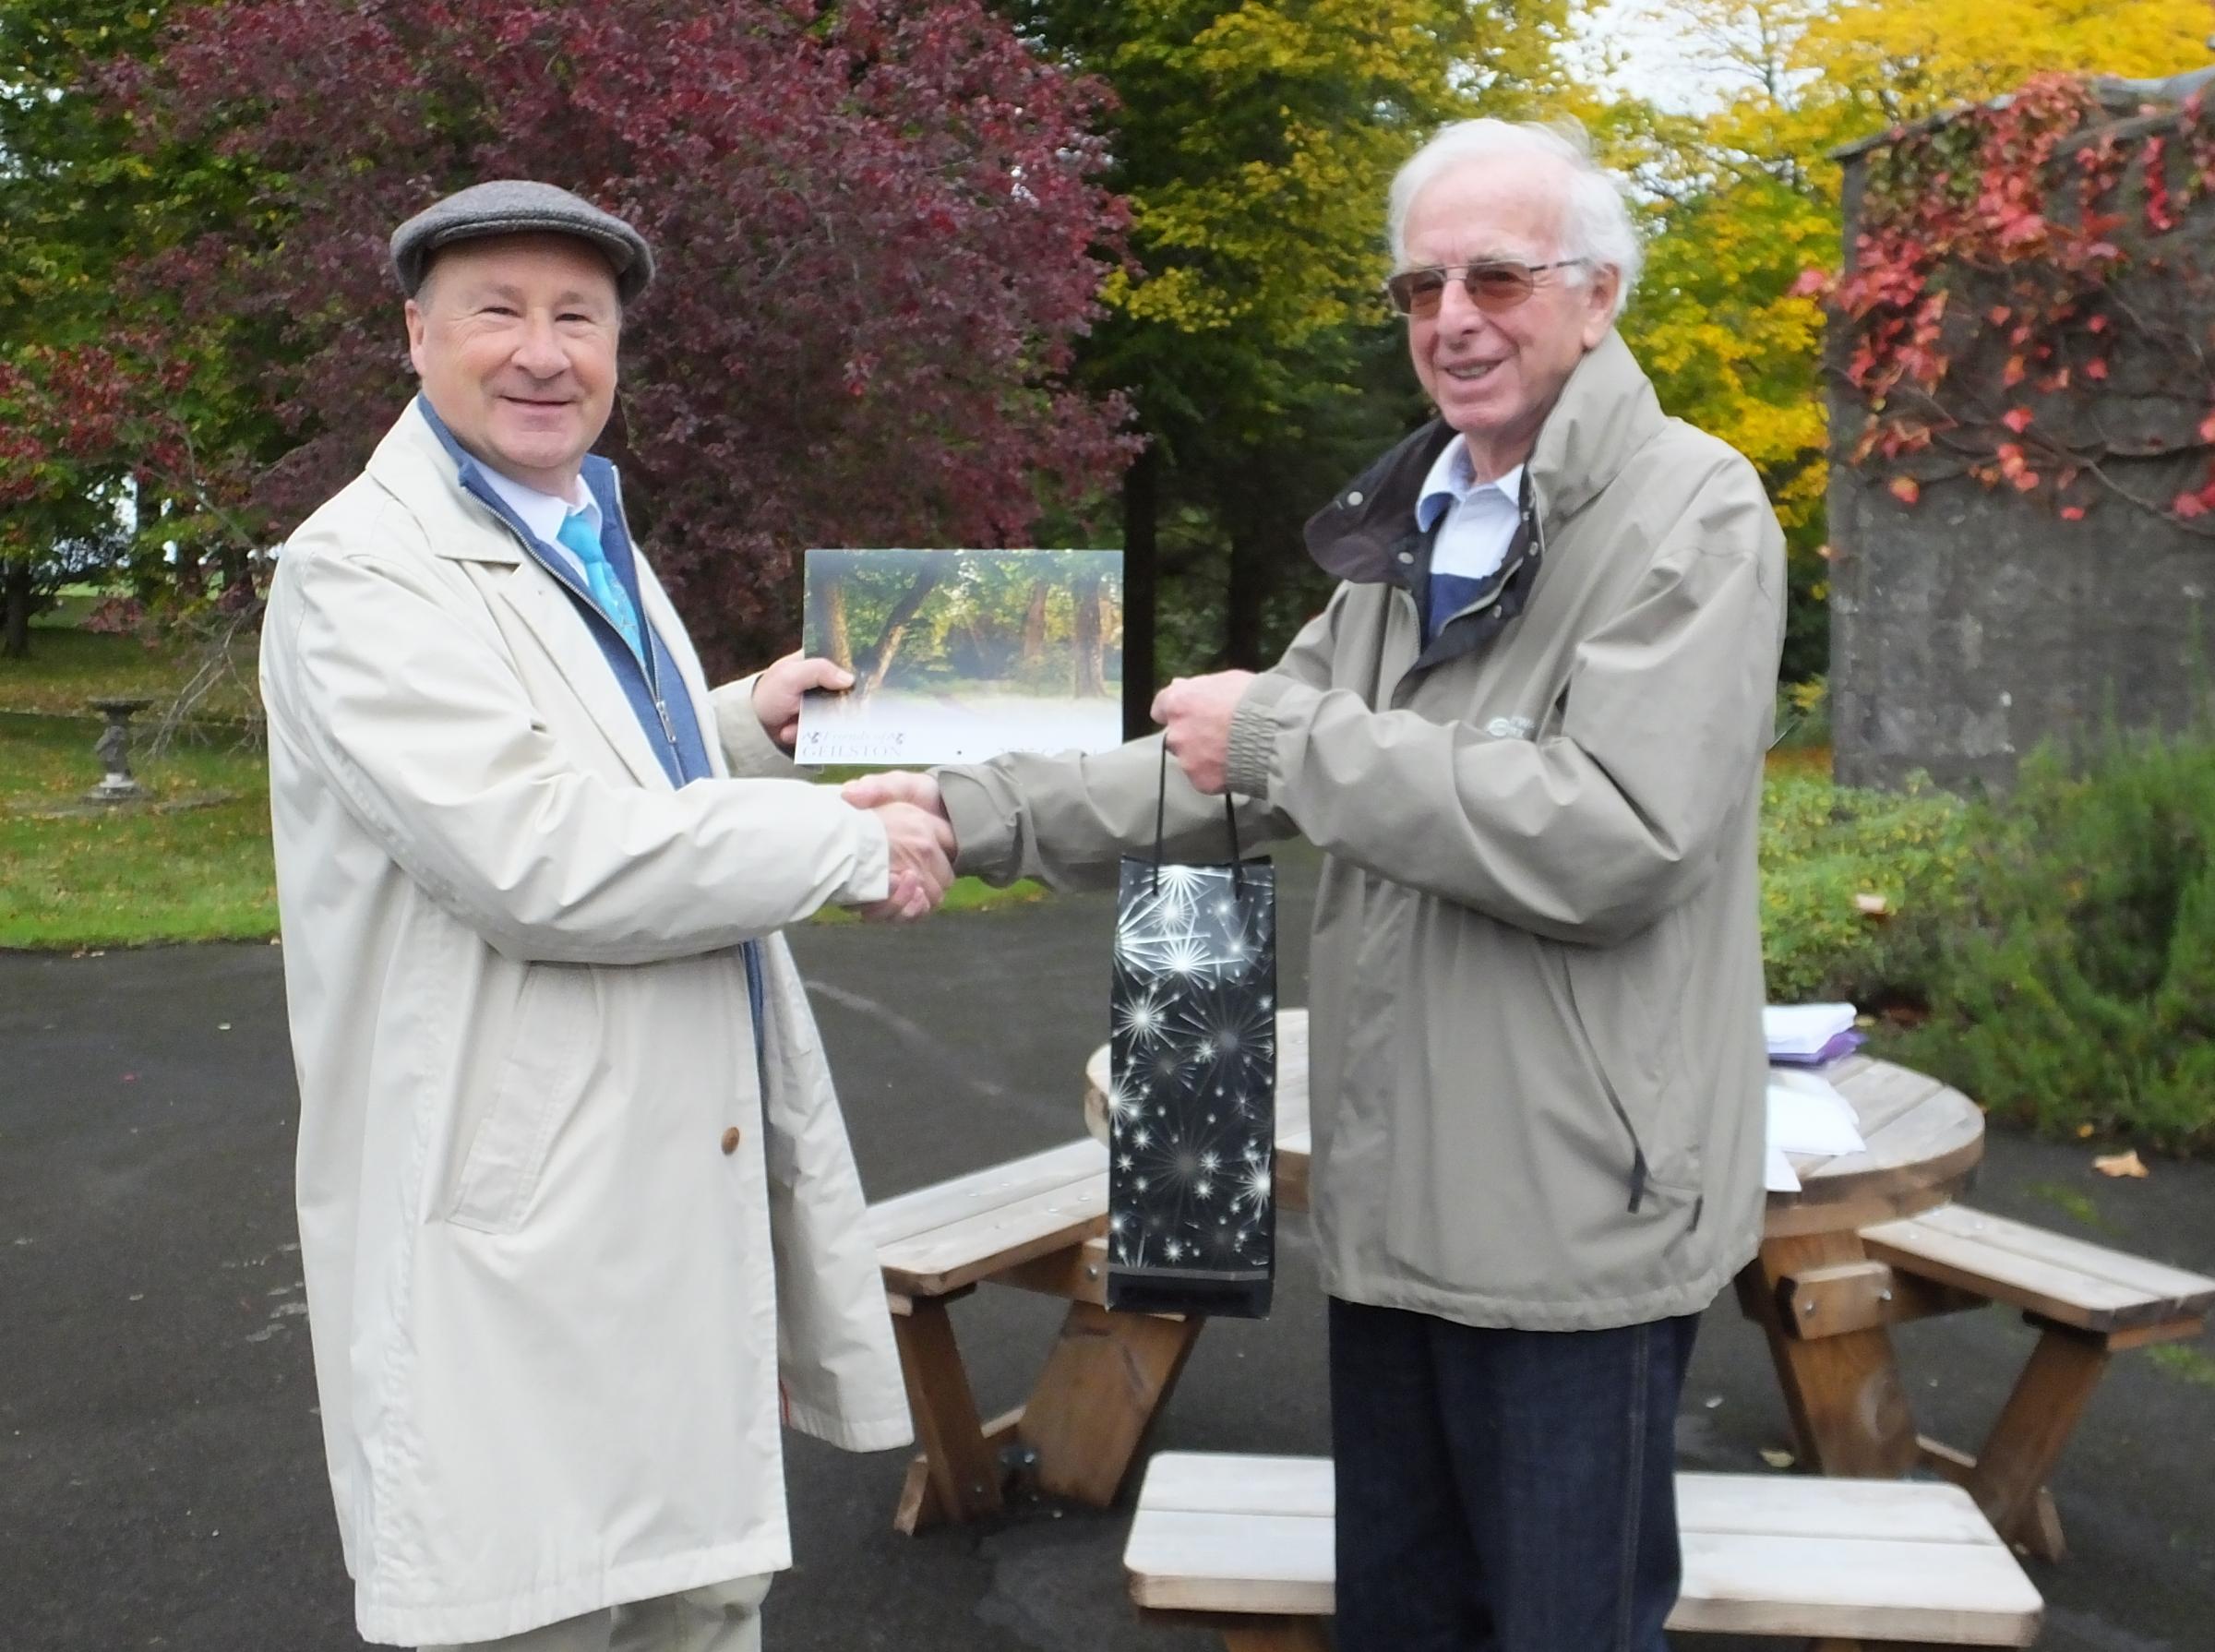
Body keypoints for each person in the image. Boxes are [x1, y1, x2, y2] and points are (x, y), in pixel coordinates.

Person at [848, 119, 1787, 1651]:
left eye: (1496, 275)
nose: (1453, 318)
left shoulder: (1696, 511)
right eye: (1420, 286)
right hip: (1397, 1193)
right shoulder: (1413, 527)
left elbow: (1616, 833)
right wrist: (970, 810)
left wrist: (1291, 732)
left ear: (1600, 294)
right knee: (1400, 1623)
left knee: (1563, 1628)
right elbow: (1227, 771)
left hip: (1572, 1225)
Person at [260, 180, 955, 1652]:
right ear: (415, 336)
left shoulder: (581, 521)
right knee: (550, 1606)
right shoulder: (359, 570)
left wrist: (744, 725)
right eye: (497, 310)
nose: (542, 351)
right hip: (517, 1224)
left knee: (698, 1598)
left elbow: (591, 757)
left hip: (656, 1201)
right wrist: (832, 837)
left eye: (578, 316)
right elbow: (533, 849)